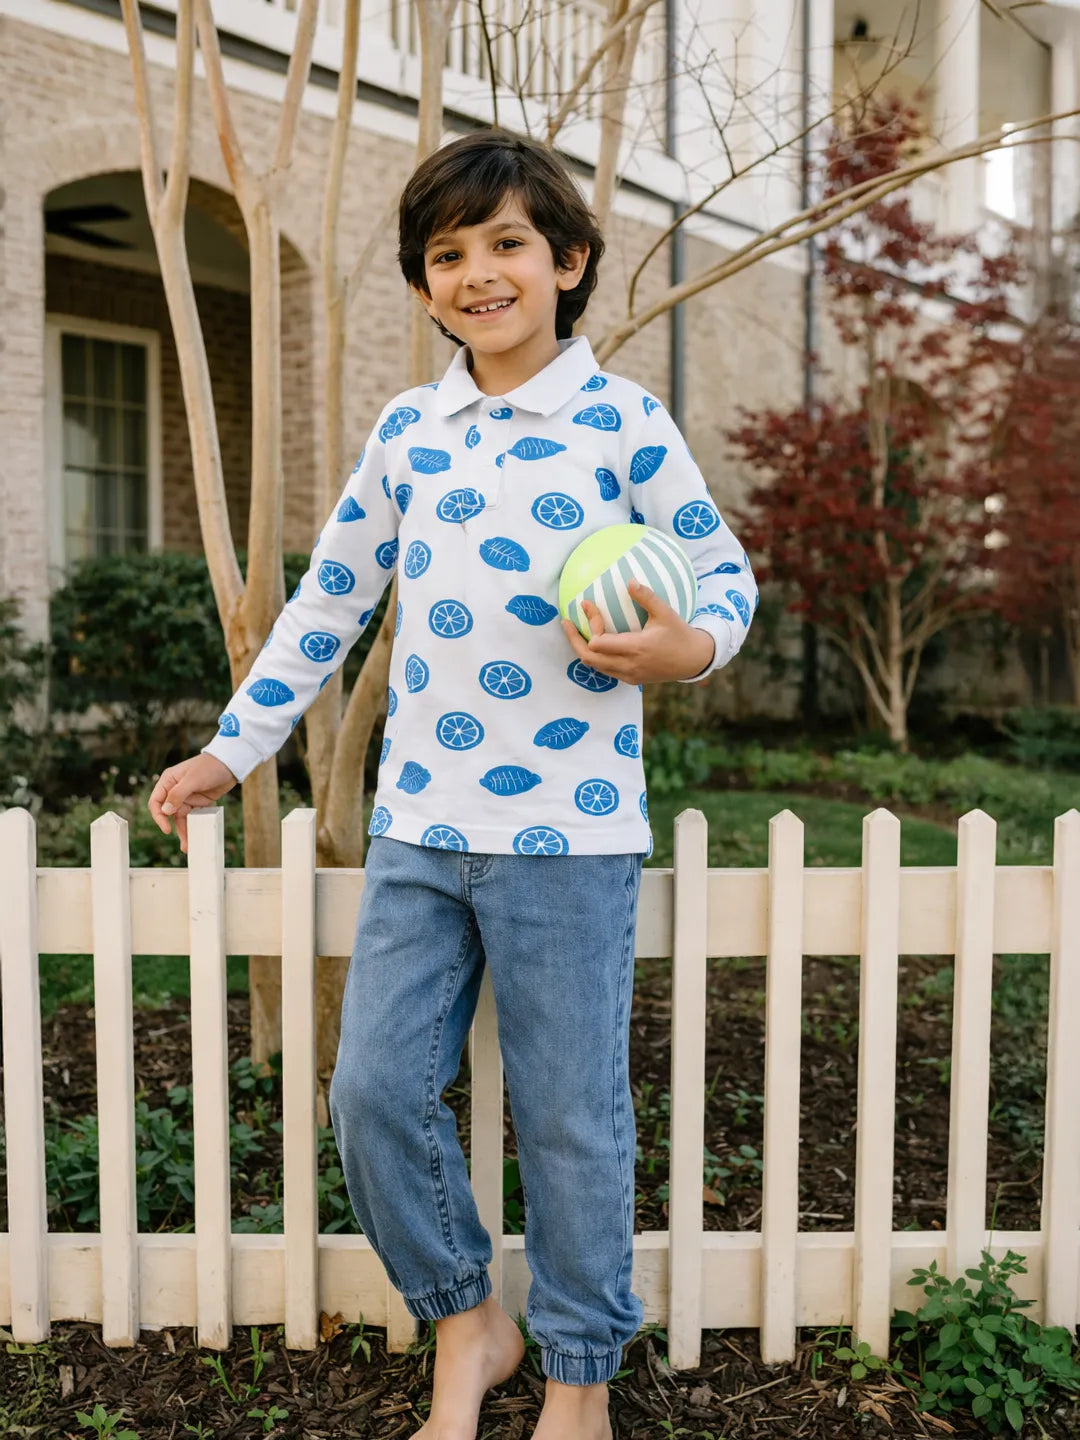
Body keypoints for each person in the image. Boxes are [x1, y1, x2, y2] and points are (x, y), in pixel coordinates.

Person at [149, 129, 756, 1440]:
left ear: (569, 262)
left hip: (571, 839)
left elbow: (726, 578)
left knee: (571, 1119)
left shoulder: (623, 424)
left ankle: (582, 1377)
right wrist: (230, 747)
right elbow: (331, 602)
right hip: (419, 829)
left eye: (507, 245)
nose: (478, 272)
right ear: (425, 286)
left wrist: (683, 646)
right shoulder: (412, 432)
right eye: (447, 253)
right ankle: (465, 1322)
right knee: (371, 1090)